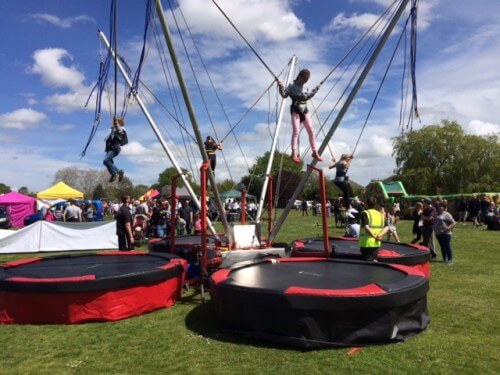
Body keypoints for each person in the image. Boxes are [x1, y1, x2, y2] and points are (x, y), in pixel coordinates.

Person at [278, 69, 323, 163]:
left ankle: (315, 152)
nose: (304, 82)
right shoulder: (291, 85)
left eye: (306, 81)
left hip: (305, 110)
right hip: (296, 110)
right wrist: (280, 86)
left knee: (311, 130)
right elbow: (284, 95)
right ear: (299, 76)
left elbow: (308, 96)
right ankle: (294, 153)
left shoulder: (305, 86)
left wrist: (316, 90)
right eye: (303, 80)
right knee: (296, 131)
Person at [359, 197, 388, 261]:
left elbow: (366, 227)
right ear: (375, 204)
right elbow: (387, 227)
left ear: (366, 204)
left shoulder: (365, 213)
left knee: (367, 265)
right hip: (376, 243)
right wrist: (379, 236)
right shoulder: (381, 214)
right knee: (374, 262)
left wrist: (375, 236)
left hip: (366, 243)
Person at [103, 116, 128, 183]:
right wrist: (112, 130)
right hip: (112, 148)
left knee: (106, 161)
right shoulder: (116, 130)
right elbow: (110, 138)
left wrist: (115, 122)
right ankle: (119, 172)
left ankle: (114, 173)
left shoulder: (121, 129)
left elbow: (118, 128)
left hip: (115, 148)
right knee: (108, 162)